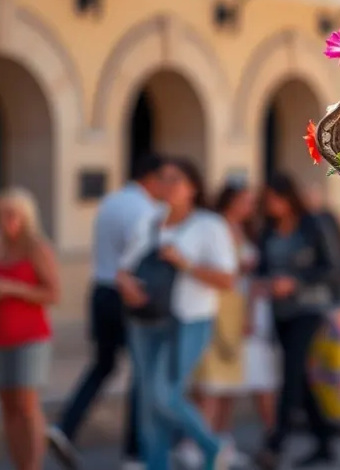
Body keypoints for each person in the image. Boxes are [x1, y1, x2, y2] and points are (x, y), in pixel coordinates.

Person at [116, 159, 239, 470]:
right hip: (145, 319)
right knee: (147, 403)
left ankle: (211, 445)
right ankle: (156, 463)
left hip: (189, 320)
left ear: (192, 188)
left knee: (165, 394)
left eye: (175, 179)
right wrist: (127, 285)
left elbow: (227, 280)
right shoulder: (149, 221)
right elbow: (124, 269)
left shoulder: (210, 225)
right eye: (163, 178)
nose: (167, 185)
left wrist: (184, 263)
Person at [49, 155, 167, 470]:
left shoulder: (111, 201)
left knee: (103, 364)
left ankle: (66, 426)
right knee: (141, 373)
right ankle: (133, 453)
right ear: (151, 178)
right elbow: (141, 256)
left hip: (100, 291)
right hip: (127, 294)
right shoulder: (148, 211)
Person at [253, 174, 340, 470]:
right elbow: (263, 268)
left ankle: (276, 442)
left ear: (287, 197)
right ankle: (324, 438)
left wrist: (296, 282)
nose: (270, 206)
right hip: (280, 311)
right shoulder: (267, 232)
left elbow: (330, 267)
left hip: (309, 307)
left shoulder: (312, 225)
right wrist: (266, 283)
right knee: (299, 376)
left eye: (274, 200)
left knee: (291, 371)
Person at [177, 185, 267, 469]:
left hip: (239, 305)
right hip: (218, 305)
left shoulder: (245, 231)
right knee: (210, 381)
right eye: (244, 201)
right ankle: (196, 442)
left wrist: (250, 313)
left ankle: (221, 439)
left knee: (230, 382)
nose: (249, 207)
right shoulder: (215, 229)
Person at [0, 188, 61, 470]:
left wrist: (14, 289)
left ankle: (33, 465)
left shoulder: (37, 248)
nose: (7, 221)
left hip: (30, 336)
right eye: (1, 215)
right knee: (7, 406)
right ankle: (19, 463)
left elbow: (53, 294)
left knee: (27, 405)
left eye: (12, 215)